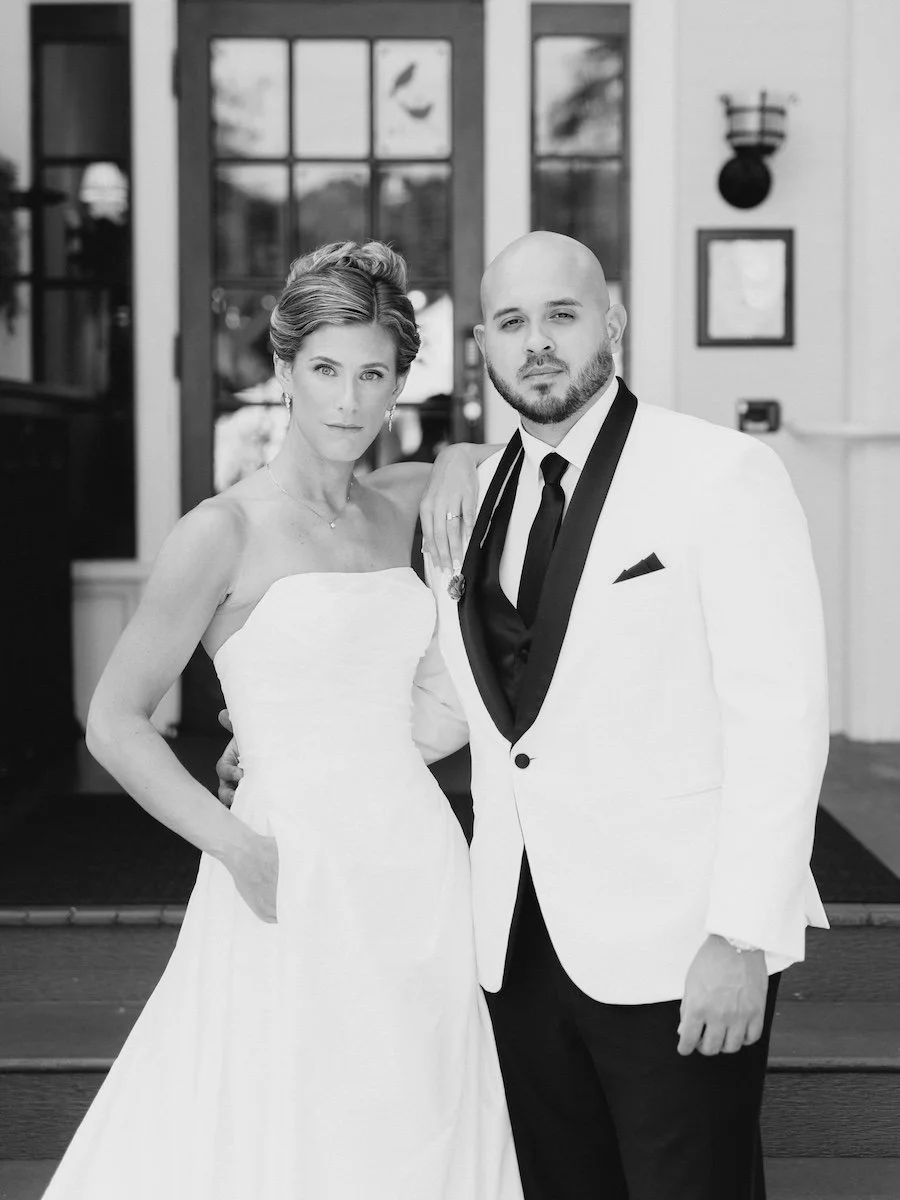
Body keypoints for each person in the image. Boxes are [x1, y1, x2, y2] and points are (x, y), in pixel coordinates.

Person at [42, 242, 522, 1200]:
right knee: (294, 1120)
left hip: (418, 858)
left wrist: (466, 450)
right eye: (326, 371)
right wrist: (235, 844)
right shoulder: (223, 530)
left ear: (398, 386)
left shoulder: (402, 504)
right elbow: (115, 720)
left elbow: (502, 464)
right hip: (288, 863)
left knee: (415, 1113)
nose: (349, 402)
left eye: (373, 375)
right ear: (283, 371)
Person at [416, 230, 830, 1200]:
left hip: (680, 941)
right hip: (516, 941)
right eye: (512, 324)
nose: (539, 343)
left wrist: (742, 934)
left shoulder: (721, 474)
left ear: (614, 321)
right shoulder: (466, 499)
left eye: (562, 314)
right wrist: (294, 749)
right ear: (482, 347)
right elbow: (470, 704)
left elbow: (781, 716)